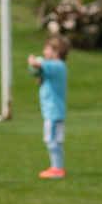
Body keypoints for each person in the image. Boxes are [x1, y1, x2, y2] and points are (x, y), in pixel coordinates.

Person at [28, 35, 69, 179]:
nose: (44, 51)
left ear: (56, 51)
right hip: (53, 111)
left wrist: (33, 60)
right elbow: (39, 77)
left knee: (52, 140)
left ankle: (57, 169)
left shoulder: (57, 66)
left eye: (47, 48)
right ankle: (57, 167)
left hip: (53, 111)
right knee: (54, 140)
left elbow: (38, 64)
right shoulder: (55, 67)